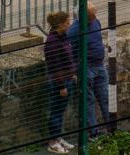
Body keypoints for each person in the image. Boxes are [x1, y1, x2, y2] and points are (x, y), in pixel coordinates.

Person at [68, 3, 111, 137]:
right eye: (92, 15)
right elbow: (70, 53)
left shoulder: (95, 22)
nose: (95, 16)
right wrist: (75, 71)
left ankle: (111, 128)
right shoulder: (74, 31)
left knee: (105, 98)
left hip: (99, 66)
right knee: (89, 101)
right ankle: (94, 133)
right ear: (84, 16)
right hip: (86, 69)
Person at [43, 11, 75, 154]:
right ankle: (53, 142)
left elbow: (67, 59)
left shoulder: (62, 37)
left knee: (60, 111)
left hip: (66, 78)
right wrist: (61, 85)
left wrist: (72, 74)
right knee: (56, 111)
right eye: (68, 23)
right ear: (61, 24)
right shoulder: (53, 42)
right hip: (58, 82)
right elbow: (55, 65)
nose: (70, 25)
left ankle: (58, 137)